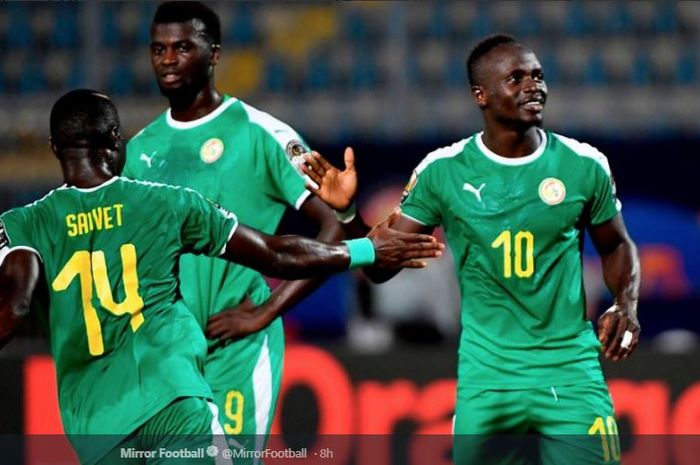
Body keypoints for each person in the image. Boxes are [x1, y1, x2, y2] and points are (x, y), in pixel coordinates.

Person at [0, 89, 442, 464]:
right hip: (173, 403)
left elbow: (15, 304)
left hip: (93, 427)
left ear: (54, 146)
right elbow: (276, 254)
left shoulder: (22, 224)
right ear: (117, 141)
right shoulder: (167, 203)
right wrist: (367, 248)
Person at [295, 35, 641, 465]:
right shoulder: (443, 172)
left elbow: (616, 245)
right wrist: (347, 214)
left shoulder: (584, 165)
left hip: (569, 370)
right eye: (516, 78)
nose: (533, 86)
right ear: (481, 95)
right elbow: (380, 266)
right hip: (487, 378)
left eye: (537, 75)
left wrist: (625, 304)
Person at [121, 2, 344, 453]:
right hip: (168, 357)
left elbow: (337, 225)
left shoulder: (263, 133)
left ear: (214, 54)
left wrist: (266, 311)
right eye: (158, 49)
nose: (167, 59)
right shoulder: (140, 149)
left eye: (182, 47)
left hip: (236, 348)